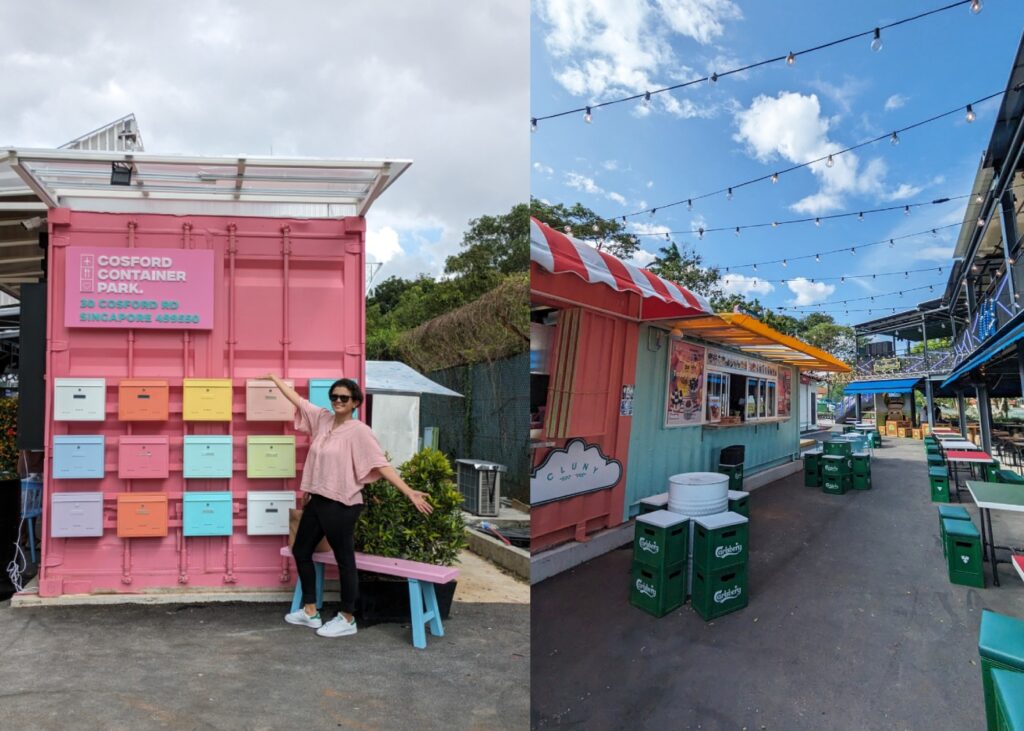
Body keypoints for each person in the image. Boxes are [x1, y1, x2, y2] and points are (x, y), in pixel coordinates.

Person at [263, 374, 433, 638]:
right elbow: (297, 399)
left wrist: (409, 492)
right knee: (301, 550)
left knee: (345, 560)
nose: (338, 401)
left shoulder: (360, 432)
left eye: (344, 398)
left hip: (342, 503)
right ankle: (310, 611)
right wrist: (274, 378)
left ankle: (347, 617)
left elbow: (380, 464)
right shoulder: (322, 419)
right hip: (318, 499)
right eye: (334, 397)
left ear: (355, 402)